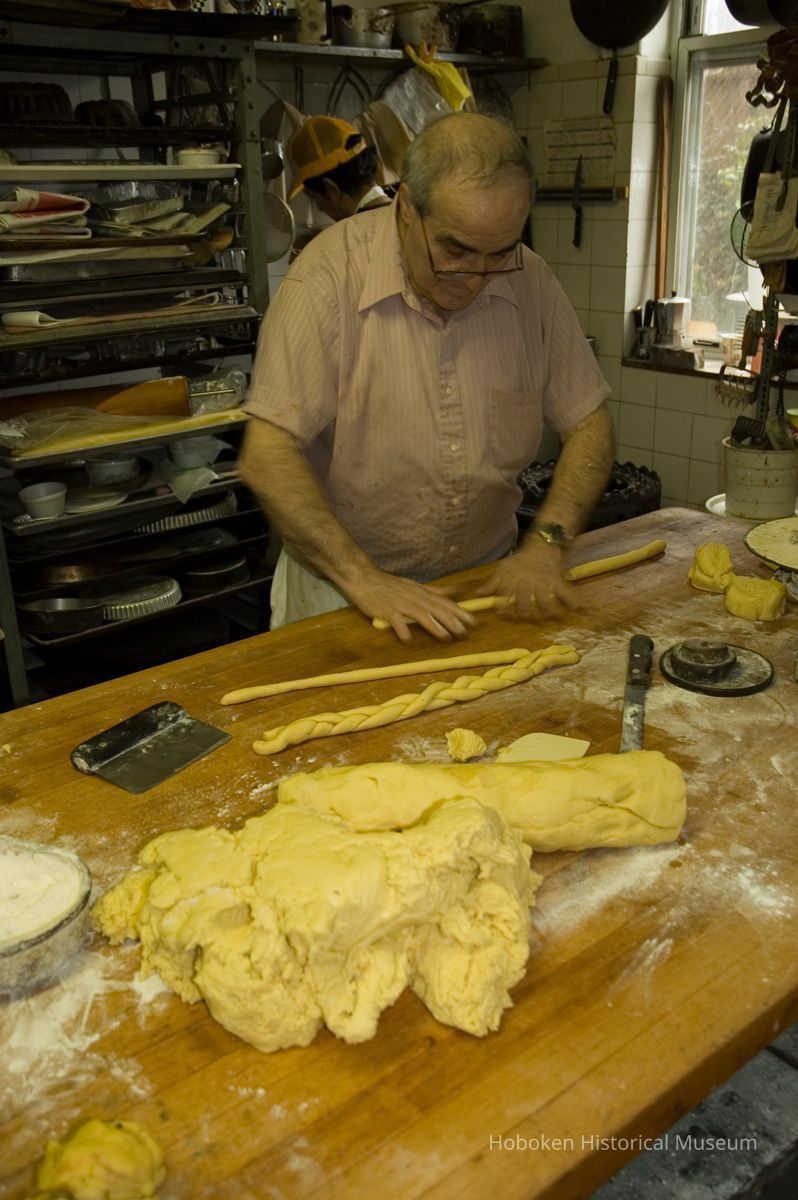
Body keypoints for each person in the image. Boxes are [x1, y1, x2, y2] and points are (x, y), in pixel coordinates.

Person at [239, 111, 616, 642]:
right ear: (407, 209)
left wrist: (546, 544)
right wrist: (365, 579)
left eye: (500, 253)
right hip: (343, 593)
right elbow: (267, 454)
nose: (477, 278)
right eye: (455, 250)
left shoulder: (530, 282)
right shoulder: (325, 279)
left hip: (484, 588)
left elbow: (590, 424)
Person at [286, 115, 392, 222]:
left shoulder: (352, 231)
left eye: (314, 197)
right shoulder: (399, 210)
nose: (320, 208)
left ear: (331, 189)